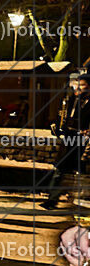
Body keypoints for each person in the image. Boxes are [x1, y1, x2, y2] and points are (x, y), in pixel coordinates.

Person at [41, 74, 90, 209]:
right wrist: (57, 126)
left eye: (82, 85)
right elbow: (63, 115)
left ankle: (72, 200)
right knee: (60, 169)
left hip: (83, 140)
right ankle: (52, 200)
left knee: (79, 171)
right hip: (69, 137)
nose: (78, 88)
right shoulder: (71, 100)